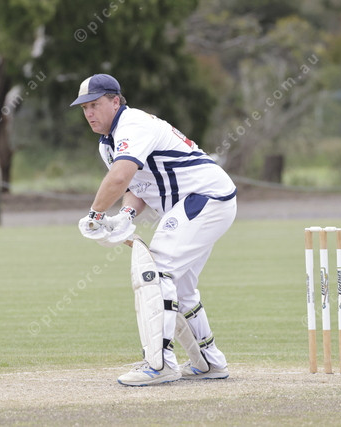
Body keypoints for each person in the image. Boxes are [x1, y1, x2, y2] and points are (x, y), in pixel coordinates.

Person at [73, 74, 237, 386]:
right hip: (196, 204)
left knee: (157, 271)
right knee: (181, 287)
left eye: (95, 105)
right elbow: (137, 186)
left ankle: (159, 363)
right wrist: (124, 215)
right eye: (85, 108)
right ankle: (209, 362)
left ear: (116, 101)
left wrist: (94, 215)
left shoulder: (132, 125)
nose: (89, 113)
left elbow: (119, 177)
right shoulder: (108, 143)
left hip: (206, 197)